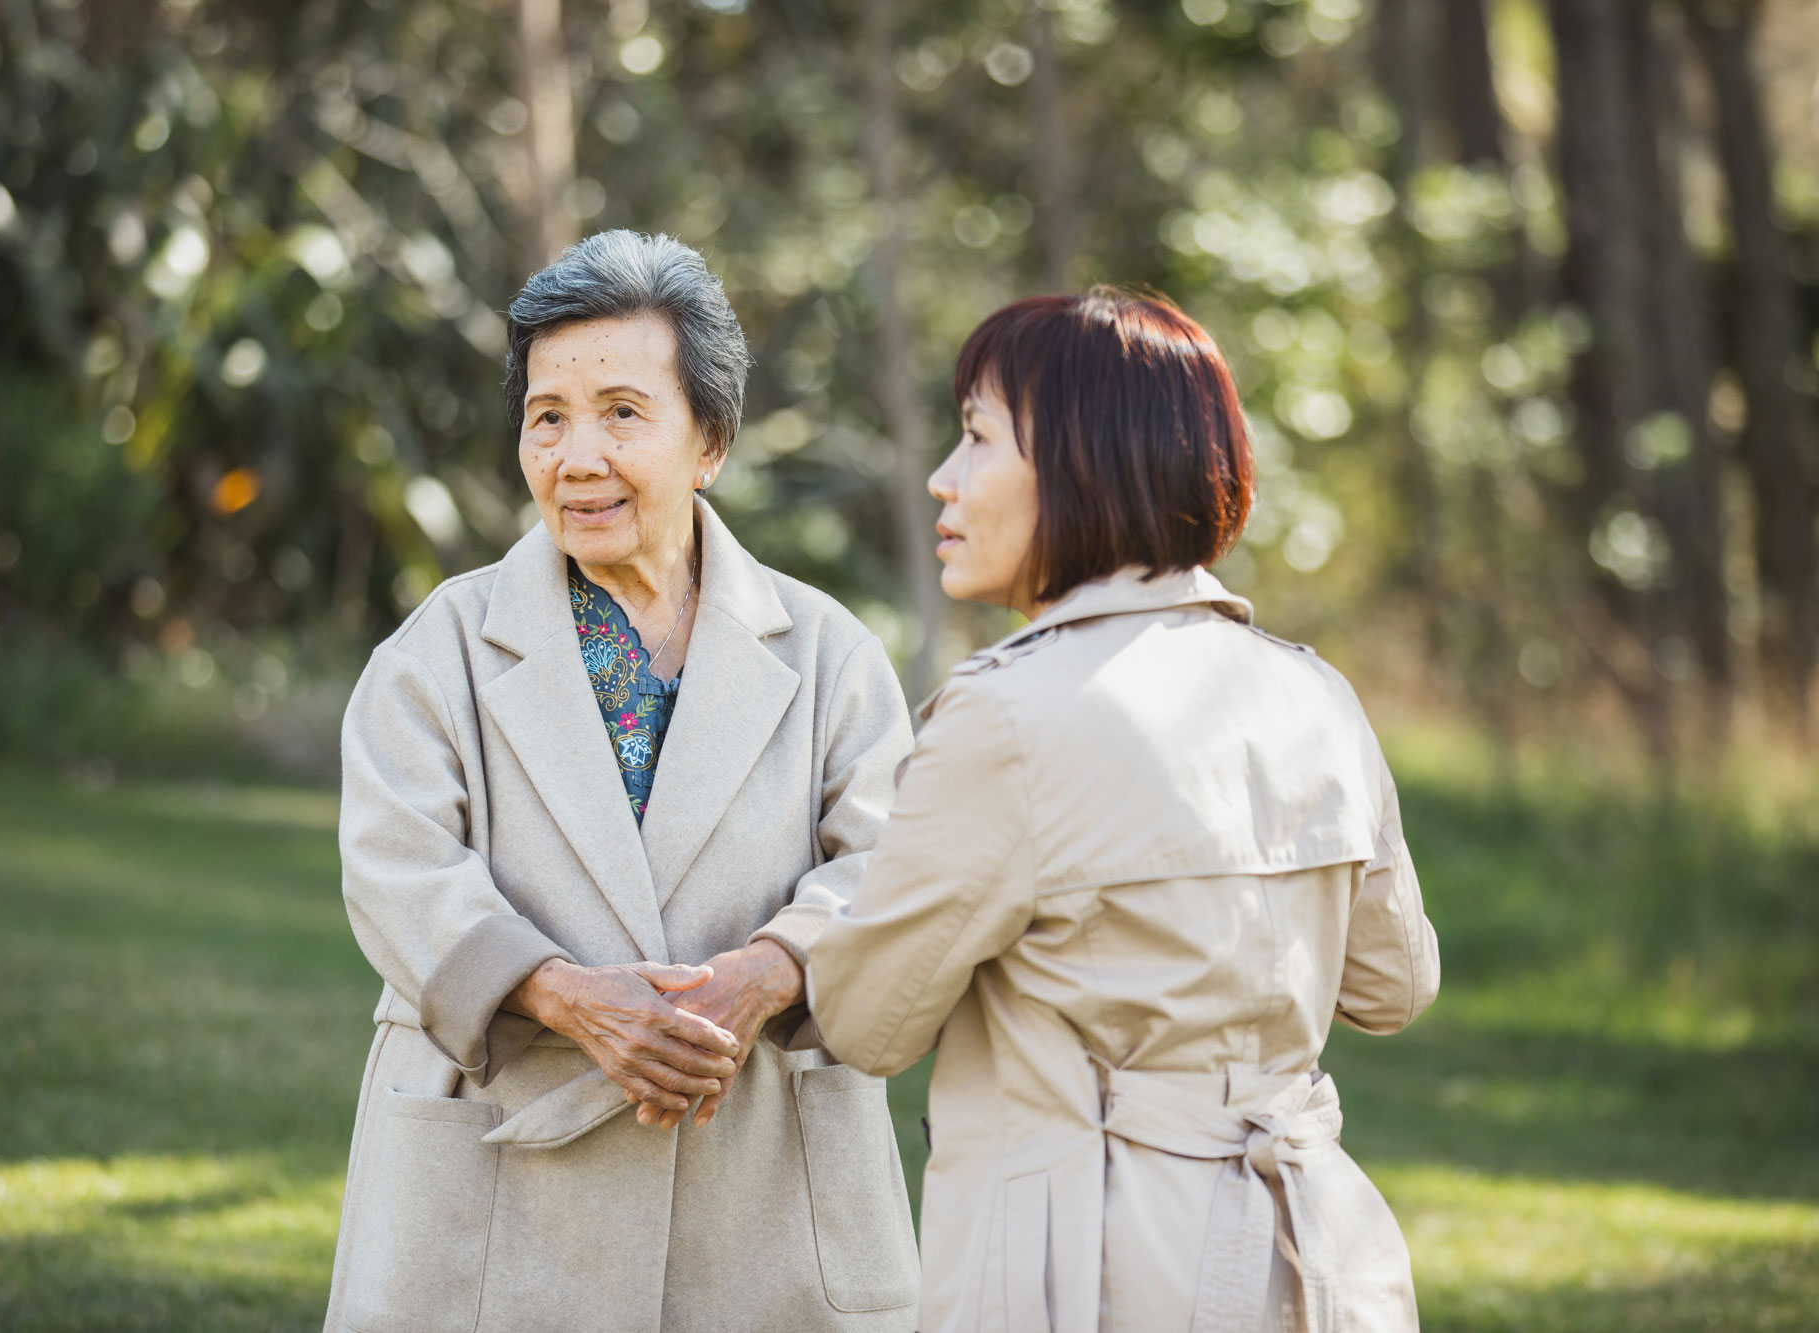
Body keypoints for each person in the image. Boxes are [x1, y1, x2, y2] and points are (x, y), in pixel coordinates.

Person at [805, 290, 1440, 1332]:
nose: (942, 478)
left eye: (973, 438)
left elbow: (867, 1020)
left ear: (1079, 461)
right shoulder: (1312, 691)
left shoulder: (1004, 716)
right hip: (1319, 1259)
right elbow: (1392, 981)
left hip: (1092, 1268)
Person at [324, 231, 920, 1333]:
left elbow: (893, 866)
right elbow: (394, 868)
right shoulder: (437, 649)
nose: (576, 454)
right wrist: (561, 993)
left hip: (753, 1200)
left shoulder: (829, 655)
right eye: (546, 416)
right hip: (498, 1193)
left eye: (621, 412)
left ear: (710, 442)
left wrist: (762, 976)